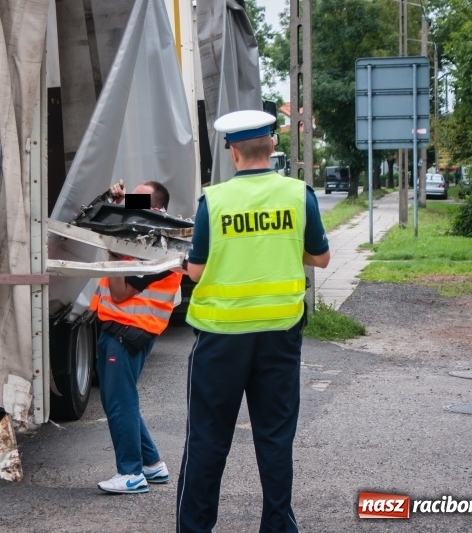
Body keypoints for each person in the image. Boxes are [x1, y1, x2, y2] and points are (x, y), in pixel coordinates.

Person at [175, 110, 331, 531]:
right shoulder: (300, 195)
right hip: (279, 336)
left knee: (208, 441)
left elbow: (195, 271)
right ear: (273, 147)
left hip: (221, 337)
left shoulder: (215, 200)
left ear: (232, 152)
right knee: (275, 439)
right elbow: (321, 257)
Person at [91, 180, 182, 494]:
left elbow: (119, 293)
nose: (129, 203)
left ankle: (130, 473)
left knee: (120, 403)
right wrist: (115, 206)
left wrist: (111, 245)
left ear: (156, 209)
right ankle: (152, 465)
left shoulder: (156, 249)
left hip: (125, 331)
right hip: (126, 330)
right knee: (121, 400)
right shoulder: (144, 239)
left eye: (136, 200)